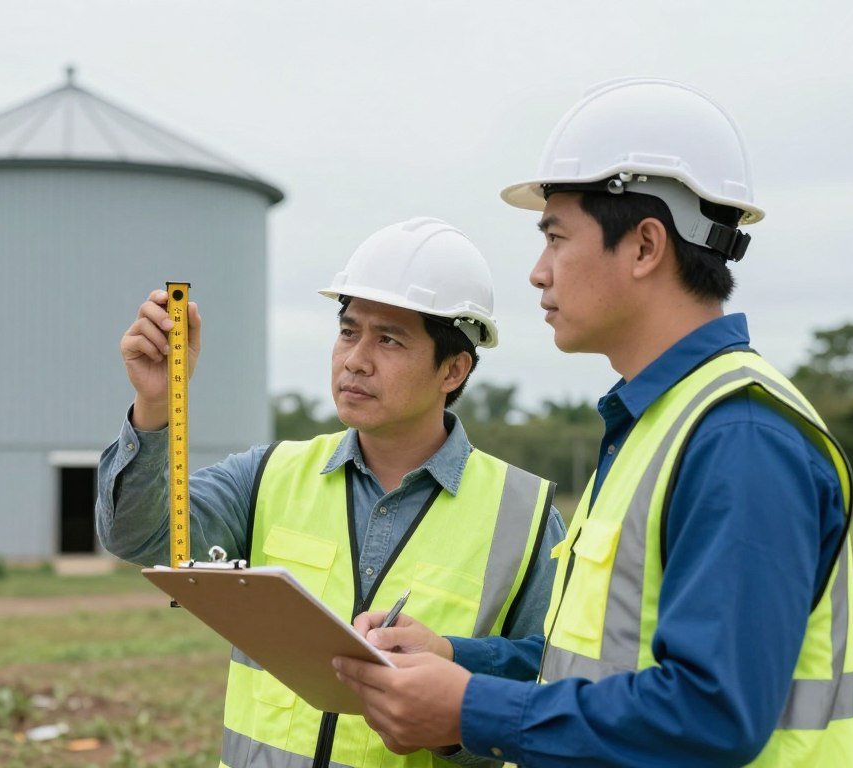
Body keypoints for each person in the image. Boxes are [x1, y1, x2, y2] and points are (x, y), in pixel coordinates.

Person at [335, 79, 853, 767]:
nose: (536, 272)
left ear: (645, 247)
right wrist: (456, 660)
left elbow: (711, 712)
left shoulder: (740, 436)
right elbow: (599, 668)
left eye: (556, 238)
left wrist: (469, 708)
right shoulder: (660, 423)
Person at [97, 217, 567, 768]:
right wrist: (156, 406)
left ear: (453, 368)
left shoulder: (526, 515)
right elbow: (137, 536)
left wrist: (453, 658)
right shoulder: (269, 473)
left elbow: (557, 677)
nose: (355, 359)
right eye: (349, 331)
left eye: (388, 339)